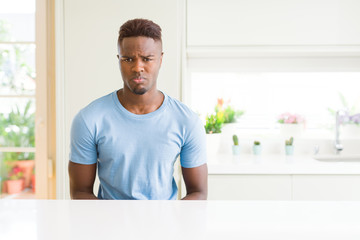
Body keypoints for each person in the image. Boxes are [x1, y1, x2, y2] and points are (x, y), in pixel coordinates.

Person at [68, 18, 208, 200]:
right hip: (108, 226)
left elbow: (198, 192)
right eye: (128, 59)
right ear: (119, 60)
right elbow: (80, 192)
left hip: (166, 226)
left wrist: (171, 222)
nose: (137, 67)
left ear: (160, 59)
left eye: (147, 59)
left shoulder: (187, 121)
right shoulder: (89, 119)